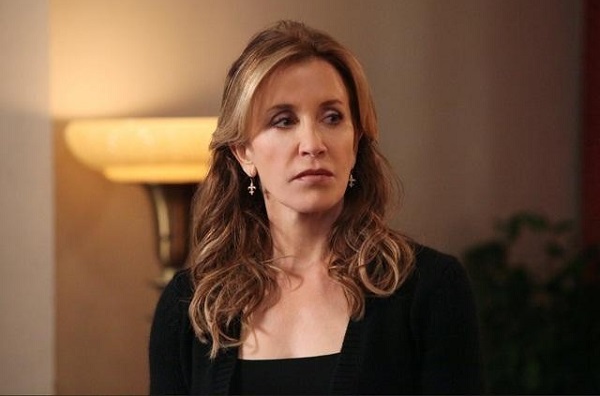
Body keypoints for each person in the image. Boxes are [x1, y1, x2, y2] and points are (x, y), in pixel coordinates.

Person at [149, 20, 483, 395]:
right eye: (283, 121)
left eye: (332, 117)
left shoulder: (430, 288)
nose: (312, 144)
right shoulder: (189, 307)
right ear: (243, 152)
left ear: (356, 141)